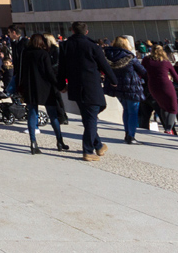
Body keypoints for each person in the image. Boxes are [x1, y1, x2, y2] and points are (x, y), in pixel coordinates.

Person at [57, 22, 117, 161]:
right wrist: (114, 80)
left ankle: (99, 145)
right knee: (91, 118)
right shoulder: (92, 46)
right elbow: (104, 65)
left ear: (72, 31)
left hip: (75, 86)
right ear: (86, 32)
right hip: (91, 86)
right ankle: (88, 150)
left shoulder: (66, 46)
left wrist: (61, 85)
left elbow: (62, 68)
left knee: (88, 117)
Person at [17, 34, 69, 153]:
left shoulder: (26, 54)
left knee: (32, 113)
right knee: (53, 115)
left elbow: (22, 71)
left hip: (30, 87)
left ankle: (33, 142)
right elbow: (49, 73)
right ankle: (59, 141)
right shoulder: (44, 54)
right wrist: (59, 85)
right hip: (45, 88)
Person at [104, 35, 147, 144]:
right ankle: (131, 136)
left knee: (126, 110)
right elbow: (142, 71)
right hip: (132, 86)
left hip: (117, 87)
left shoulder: (108, 55)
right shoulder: (129, 56)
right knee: (133, 112)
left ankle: (127, 133)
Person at [143, 45, 178, 135]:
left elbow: (141, 71)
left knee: (163, 106)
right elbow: (176, 77)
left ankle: (167, 128)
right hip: (166, 85)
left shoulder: (146, 60)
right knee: (173, 108)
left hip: (152, 86)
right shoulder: (165, 62)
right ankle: (168, 129)